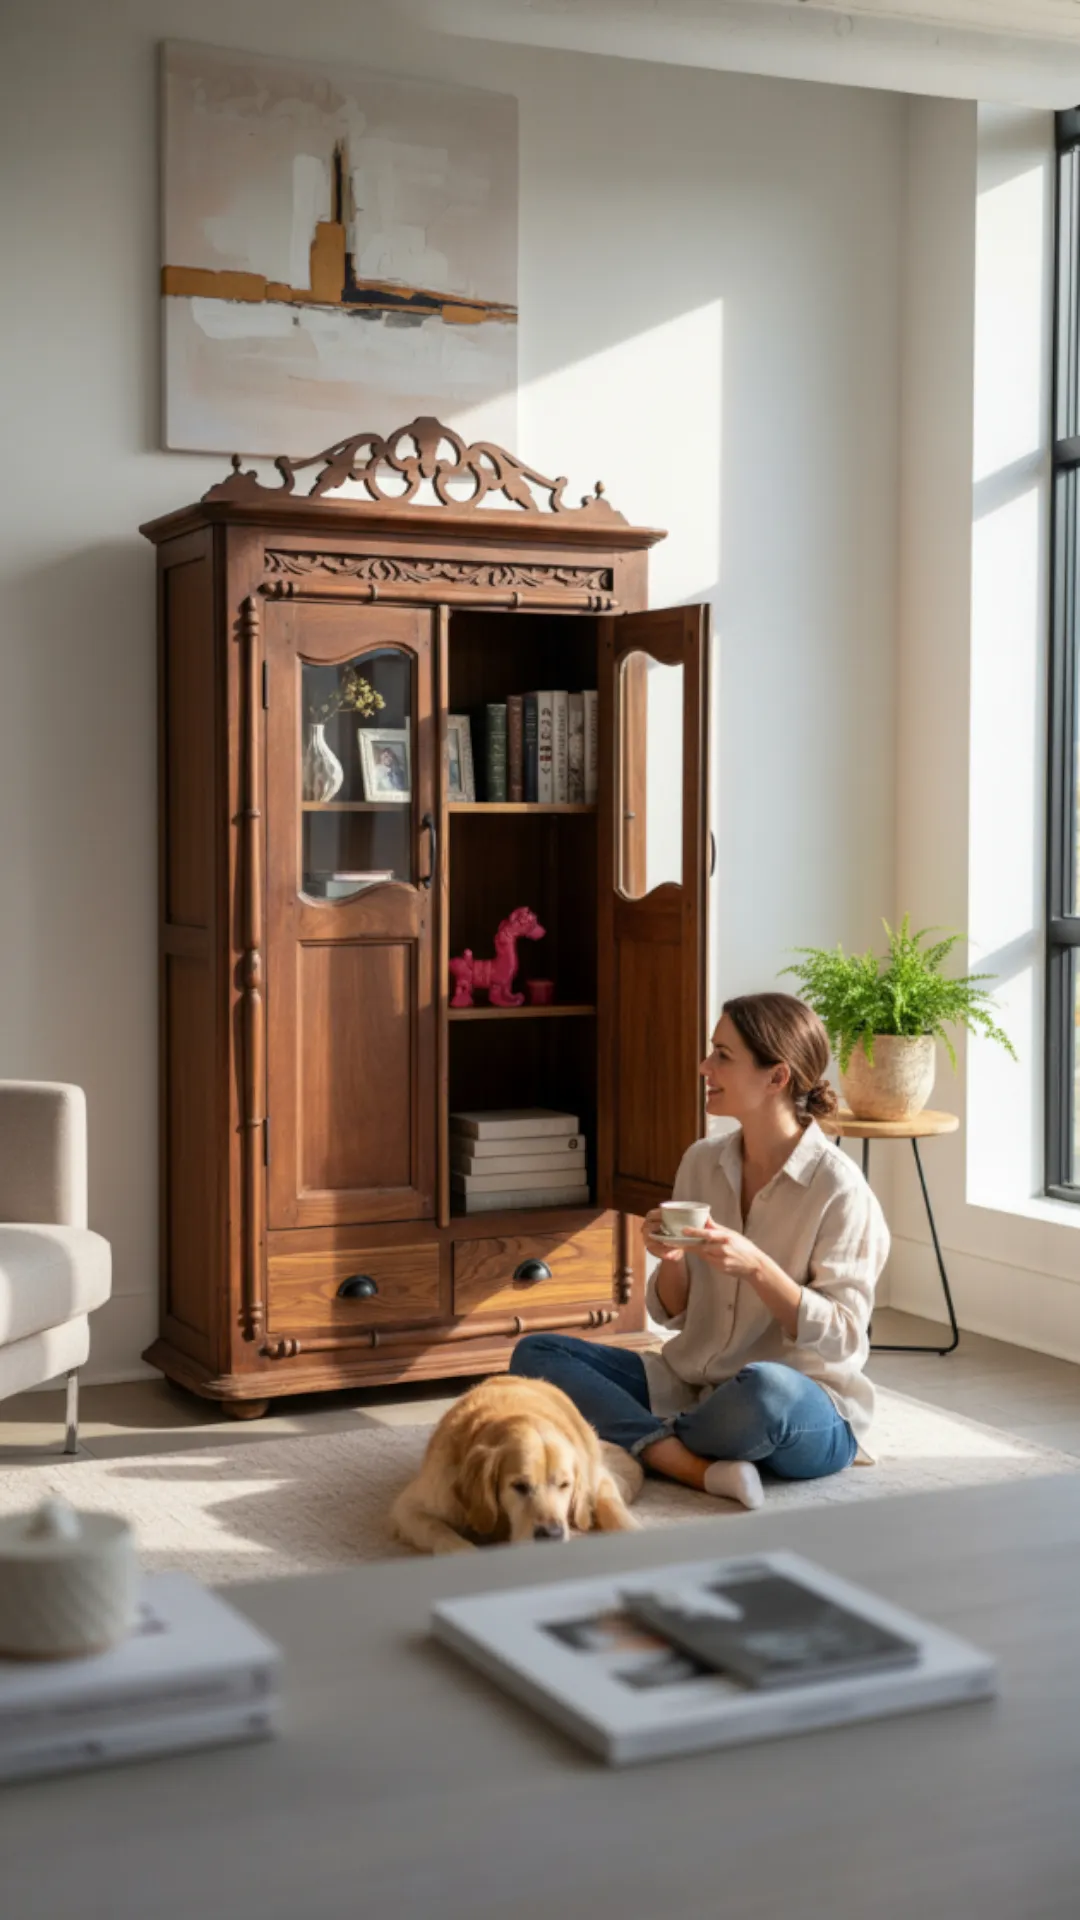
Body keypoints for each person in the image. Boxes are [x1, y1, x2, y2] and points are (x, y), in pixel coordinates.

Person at [510, 992, 889, 1510]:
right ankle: (687, 1461)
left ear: (776, 1077)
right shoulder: (702, 1161)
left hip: (802, 1406)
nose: (704, 1066)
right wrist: (672, 1261)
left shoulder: (839, 1190)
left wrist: (756, 1266)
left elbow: (845, 1338)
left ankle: (643, 1438)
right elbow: (669, 1314)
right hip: (692, 1386)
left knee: (764, 1390)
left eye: (723, 1056)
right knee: (535, 1355)